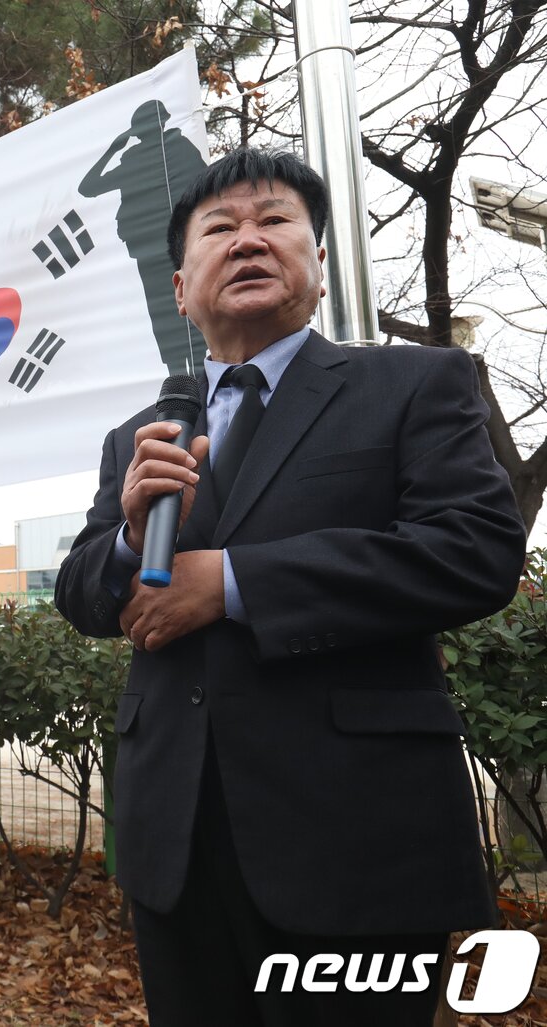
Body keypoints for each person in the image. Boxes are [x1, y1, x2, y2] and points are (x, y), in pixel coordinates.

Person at [54, 149, 526, 1026]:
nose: (247, 241)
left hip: (356, 841)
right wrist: (126, 536)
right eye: (219, 229)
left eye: (273, 221)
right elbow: (84, 594)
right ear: (182, 283)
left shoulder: (412, 382)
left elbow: (476, 548)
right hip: (176, 843)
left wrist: (229, 581)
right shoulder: (141, 433)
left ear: (317, 263)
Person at [80, 100, 208, 377]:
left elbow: (206, 187)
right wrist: (113, 150)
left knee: (187, 303)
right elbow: (88, 188)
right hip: (146, 246)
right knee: (162, 311)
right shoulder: (134, 159)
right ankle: (178, 377)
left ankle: (198, 375)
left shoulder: (180, 148)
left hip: (181, 245)